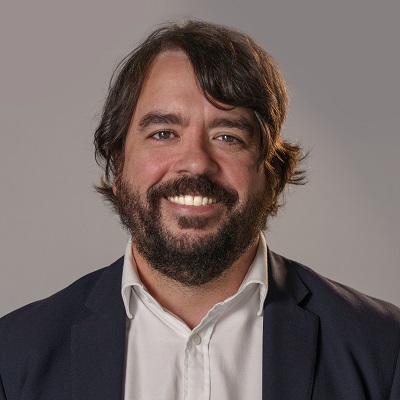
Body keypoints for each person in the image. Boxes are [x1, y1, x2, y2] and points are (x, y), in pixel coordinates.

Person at [0, 19, 399, 400]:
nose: (195, 162)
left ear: (272, 175)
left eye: (227, 136)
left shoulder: (384, 349)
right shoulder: (13, 356)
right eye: (163, 134)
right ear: (117, 165)